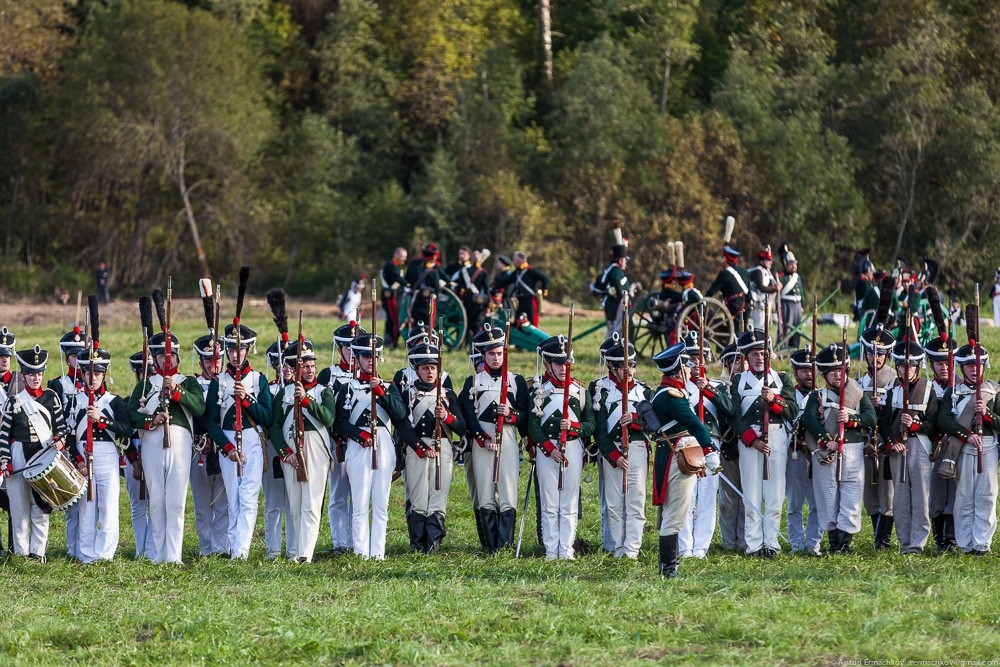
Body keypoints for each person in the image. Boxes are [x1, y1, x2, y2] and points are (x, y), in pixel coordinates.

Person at [127, 331, 206, 564]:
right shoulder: (144, 385)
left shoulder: (188, 382)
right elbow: (132, 414)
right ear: (154, 358)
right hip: (152, 444)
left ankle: (174, 555)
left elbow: (199, 408)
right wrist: (151, 420)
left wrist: (177, 391)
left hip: (180, 445)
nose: (166, 359)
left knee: (176, 501)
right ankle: (156, 554)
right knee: (157, 501)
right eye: (161, 355)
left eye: (171, 354)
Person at [648, 343, 719, 578]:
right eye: (686, 365)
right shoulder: (671, 396)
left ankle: (669, 565)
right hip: (675, 455)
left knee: (676, 510)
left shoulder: (671, 392)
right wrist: (709, 451)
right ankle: (668, 569)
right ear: (678, 369)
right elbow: (694, 424)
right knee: (675, 513)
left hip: (675, 452)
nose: (690, 369)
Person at [333, 331, 406, 559]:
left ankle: (379, 552)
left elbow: (400, 414)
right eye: (365, 357)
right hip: (359, 446)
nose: (370, 361)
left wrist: (380, 391)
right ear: (357, 358)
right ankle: (361, 551)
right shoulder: (347, 388)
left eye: (373, 356)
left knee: (381, 502)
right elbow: (340, 424)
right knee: (360, 502)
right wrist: (359, 435)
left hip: (383, 443)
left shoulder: (388, 386)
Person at [204, 323, 273, 560]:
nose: (235, 355)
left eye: (240, 350)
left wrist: (246, 400)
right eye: (231, 350)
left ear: (248, 350)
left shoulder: (258, 380)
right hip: (228, 442)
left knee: (249, 497)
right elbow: (211, 421)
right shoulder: (218, 382)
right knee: (233, 498)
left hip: (252, 439)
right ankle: (234, 547)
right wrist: (227, 447)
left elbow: (267, 416)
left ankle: (241, 551)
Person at [458, 325, 529, 552]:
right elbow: (468, 415)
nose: (496, 358)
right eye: (491, 354)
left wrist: (511, 414)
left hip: (507, 440)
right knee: (486, 492)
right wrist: (483, 439)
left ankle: (505, 545)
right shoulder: (473, 383)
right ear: (484, 355)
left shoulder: (516, 382)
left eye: (499, 353)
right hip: (483, 443)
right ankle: (490, 546)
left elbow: (525, 417)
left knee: (508, 492)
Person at [802, 343, 877, 554]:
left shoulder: (858, 394)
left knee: (851, 496)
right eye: (832, 372)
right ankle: (834, 542)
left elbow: (870, 417)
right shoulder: (817, 397)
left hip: (852, 450)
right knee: (828, 495)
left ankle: (845, 543)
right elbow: (810, 420)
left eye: (841, 370)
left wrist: (852, 418)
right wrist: (826, 439)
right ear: (825, 375)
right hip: (828, 451)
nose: (837, 375)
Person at [527, 335, 596, 560]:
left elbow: (591, 424)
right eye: (558, 364)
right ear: (548, 364)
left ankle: (566, 549)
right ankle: (550, 549)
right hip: (548, 450)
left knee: (569, 501)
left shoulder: (579, 390)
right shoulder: (538, 390)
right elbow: (533, 425)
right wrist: (548, 448)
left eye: (567, 364)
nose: (564, 369)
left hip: (573, 448)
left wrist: (574, 427)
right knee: (549, 503)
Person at [730, 328, 797, 557]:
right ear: (747, 357)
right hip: (750, 440)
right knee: (751, 494)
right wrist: (751, 439)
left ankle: (771, 544)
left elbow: (792, 410)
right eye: (754, 354)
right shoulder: (739, 381)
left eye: (763, 353)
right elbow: (734, 416)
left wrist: (774, 400)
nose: (760, 358)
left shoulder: (782, 378)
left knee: (775, 495)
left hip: (776, 437)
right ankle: (754, 544)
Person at [270, 338, 336, 563]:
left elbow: (328, 418)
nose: (310, 370)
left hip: (315, 449)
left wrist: (306, 401)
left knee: (311, 503)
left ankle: (306, 554)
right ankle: (296, 550)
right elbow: (275, 427)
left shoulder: (323, 392)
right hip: (291, 453)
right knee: (295, 505)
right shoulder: (284, 394)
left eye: (312, 365)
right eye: (305, 366)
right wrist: (284, 453)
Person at [0, 346, 67, 562]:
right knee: (19, 506)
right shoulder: (13, 402)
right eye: (31, 374)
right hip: (20, 452)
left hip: (44, 454)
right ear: (24, 374)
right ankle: (20, 552)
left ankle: (38, 552)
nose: (36, 378)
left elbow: (62, 428)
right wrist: (5, 461)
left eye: (39, 373)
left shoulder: (51, 398)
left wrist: (60, 440)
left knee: (41, 505)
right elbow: (4, 435)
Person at [398, 339, 466, 553]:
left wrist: (447, 417)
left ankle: (434, 543)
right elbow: (403, 426)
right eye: (425, 368)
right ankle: (418, 544)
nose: (430, 372)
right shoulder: (407, 394)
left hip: (442, 449)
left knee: (438, 495)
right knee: (418, 497)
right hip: (416, 449)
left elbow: (462, 427)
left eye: (433, 367)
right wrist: (419, 446)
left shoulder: (447, 395)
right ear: (416, 370)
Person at [70, 347, 132, 564]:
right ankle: (86, 554)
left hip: (106, 455)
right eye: (88, 373)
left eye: (97, 373)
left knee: (108, 506)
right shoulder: (75, 401)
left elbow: (126, 429)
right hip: (83, 456)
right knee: (86, 508)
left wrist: (102, 420)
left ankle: (105, 553)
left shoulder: (113, 401)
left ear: (104, 374)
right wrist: (78, 461)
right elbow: (69, 434)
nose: (92, 377)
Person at [938, 343, 999, 554]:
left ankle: (982, 543)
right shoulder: (953, 392)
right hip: (963, 448)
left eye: (979, 365)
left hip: (988, 446)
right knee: (964, 496)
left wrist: (988, 415)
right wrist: (967, 435)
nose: (975, 369)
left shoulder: (993, 390)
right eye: (969, 366)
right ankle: (965, 543)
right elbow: (944, 420)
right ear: (962, 368)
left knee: (987, 495)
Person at [592, 336, 651, 558]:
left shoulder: (644, 392)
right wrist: (613, 455)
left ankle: (632, 549)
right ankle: (617, 547)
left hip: (636, 448)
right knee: (614, 503)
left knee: (636, 501)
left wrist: (635, 420)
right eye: (623, 367)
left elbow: (653, 425)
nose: (629, 371)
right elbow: (599, 429)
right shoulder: (600, 390)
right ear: (612, 367)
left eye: (632, 366)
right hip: (612, 452)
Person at [879, 339, 938, 554]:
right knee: (901, 498)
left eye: (910, 366)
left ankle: (917, 542)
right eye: (902, 366)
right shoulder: (892, 390)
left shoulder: (927, 389)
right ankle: (905, 542)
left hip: (919, 445)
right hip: (897, 449)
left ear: (917, 367)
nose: (906, 370)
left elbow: (933, 422)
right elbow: (884, 422)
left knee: (921, 496)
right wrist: (891, 442)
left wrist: (915, 425)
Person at [678, 332, 733, 559]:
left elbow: (729, 411)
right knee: (686, 496)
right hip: (687, 442)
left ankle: (701, 547)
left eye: (700, 357)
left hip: (711, 442)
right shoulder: (678, 387)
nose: (695, 362)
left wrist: (708, 389)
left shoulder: (718, 385)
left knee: (708, 497)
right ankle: (684, 545)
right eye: (690, 357)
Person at [317, 321, 364, 554]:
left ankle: (358, 541)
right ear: (340, 348)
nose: (353, 353)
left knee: (359, 494)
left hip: (359, 441)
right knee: (337, 495)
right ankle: (340, 542)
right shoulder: (328, 374)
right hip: (336, 441)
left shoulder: (367, 374)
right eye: (348, 347)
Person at [49, 326, 87, 561]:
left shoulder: (93, 382)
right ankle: (73, 549)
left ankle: (86, 546)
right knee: (72, 500)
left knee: (90, 502)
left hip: (87, 444)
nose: (78, 360)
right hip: (67, 445)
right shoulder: (58, 385)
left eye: (81, 355)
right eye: (74, 356)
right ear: (67, 357)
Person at [190, 335, 229, 557]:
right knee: (202, 507)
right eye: (207, 360)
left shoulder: (227, 382)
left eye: (216, 359)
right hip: (199, 448)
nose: (212, 364)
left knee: (223, 504)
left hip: (224, 446)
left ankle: (221, 547)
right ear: (201, 361)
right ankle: (206, 548)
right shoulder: (194, 385)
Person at [784, 349, 822, 556]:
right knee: (794, 503)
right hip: (796, 451)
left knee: (817, 503)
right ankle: (796, 543)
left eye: (812, 370)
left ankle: (814, 543)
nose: (809, 374)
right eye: (803, 370)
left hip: (817, 453)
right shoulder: (790, 396)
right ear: (795, 371)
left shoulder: (823, 396)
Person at [262, 341, 295, 560]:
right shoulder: (270, 389)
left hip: (297, 449)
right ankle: (272, 550)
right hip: (273, 448)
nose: (287, 368)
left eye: (291, 364)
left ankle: (294, 550)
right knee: (273, 502)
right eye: (282, 364)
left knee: (294, 502)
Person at [925, 336, 957, 552]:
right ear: (932, 365)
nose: (944, 367)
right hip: (932, 447)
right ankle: (940, 539)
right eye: (939, 363)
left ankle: (952, 538)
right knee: (936, 495)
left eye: (947, 363)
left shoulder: (961, 387)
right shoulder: (926, 389)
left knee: (954, 493)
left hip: (955, 447)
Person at [123, 351, 155, 560]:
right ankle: (139, 550)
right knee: (138, 507)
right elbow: (125, 437)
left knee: (156, 505)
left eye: (151, 373)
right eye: (142, 373)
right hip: (133, 456)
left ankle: (152, 550)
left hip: (155, 455)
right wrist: (135, 462)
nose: (146, 378)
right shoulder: (129, 401)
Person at [717, 343, 747, 552]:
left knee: (748, 497)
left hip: (750, 446)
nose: (741, 365)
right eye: (736, 361)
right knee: (728, 498)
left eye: (743, 360)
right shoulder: (722, 389)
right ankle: (729, 542)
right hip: (728, 446)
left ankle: (746, 540)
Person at [446, 246, 491, 346]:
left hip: (467, 301)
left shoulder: (465, 271)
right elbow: (487, 290)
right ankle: (476, 345)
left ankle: (466, 344)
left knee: (466, 323)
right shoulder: (484, 272)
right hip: (478, 302)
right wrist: (488, 304)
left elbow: (459, 288)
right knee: (476, 324)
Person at [493, 251, 549, 327]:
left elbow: (545, 279)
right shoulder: (516, 273)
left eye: (514, 259)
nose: (513, 262)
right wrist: (494, 288)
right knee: (517, 323)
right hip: (520, 301)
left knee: (531, 323)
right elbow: (505, 282)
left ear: (520, 260)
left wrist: (544, 292)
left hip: (530, 301)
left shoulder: (530, 271)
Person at [706, 246, 751, 333]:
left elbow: (713, 290)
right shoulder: (744, 271)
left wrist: (704, 299)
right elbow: (749, 291)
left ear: (726, 259)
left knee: (736, 331)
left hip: (734, 306)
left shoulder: (725, 273)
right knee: (744, 330)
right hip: (745, 305)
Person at [596, 245, 631, 339]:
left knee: (611, 329)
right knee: (618, 329)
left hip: (609, 303)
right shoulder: (616, 270)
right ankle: (614, 352)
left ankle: (606, 352)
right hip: (617, 303)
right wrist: (629, 291)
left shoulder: (610, 268)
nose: (625, 262)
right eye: (624, 260)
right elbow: (620, 290)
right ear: (620, 260)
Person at [405, 243, 442, 328]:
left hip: (417, 300)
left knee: (418, 325)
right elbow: (437, 289)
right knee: (428, 324)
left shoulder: (414, 266)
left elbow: (408, 280)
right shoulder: (434, 271)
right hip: (428, 301)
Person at [380, 247, 408, 348]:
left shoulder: (395, 266)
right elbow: (397, 278)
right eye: (402, 257)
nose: (404, 259)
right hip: (390, 296)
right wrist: (408, 284)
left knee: (394, 319)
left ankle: (392, 340)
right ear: (396, 255)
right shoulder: (390, 266)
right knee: (392, 319)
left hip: (396, 296)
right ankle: (389, 341)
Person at [747, 247, 778, 332]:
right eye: (768, 260)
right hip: (757, 305)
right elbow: (761, 287)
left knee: (763, 329)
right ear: (762, 261)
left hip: (762, 304)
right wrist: (774, 288)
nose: (771, 262)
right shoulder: (758, 270)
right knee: (759, 329)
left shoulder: (764, 270)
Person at [778, 250, 805, 348]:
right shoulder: (781, 277)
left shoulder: (797, 277)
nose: (794, 266)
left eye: (794, 264)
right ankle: (784, 347)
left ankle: (795, 347)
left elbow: (801, 292)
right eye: (791, 264)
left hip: (797, 305)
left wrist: (802, 304)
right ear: (786, 265)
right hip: (787, 304)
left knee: (797, 328)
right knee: (787, 328)